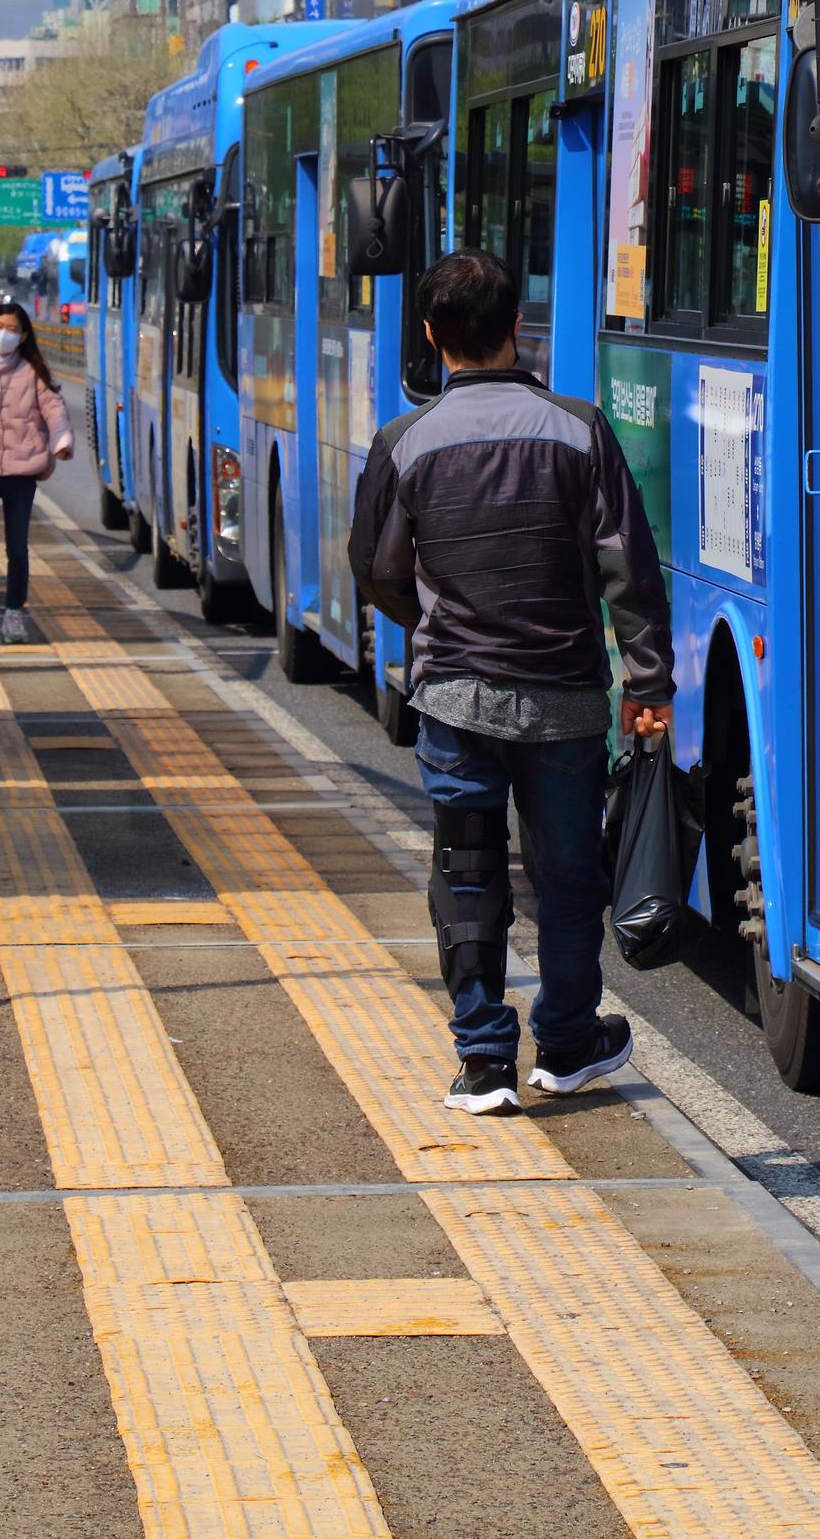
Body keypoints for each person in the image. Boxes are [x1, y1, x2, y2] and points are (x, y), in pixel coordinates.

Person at [356, 251, 670, 1115]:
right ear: (517, 329)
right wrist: (649, 680)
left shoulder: (402, 443)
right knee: (568, 875)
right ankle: (567, 1041)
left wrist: (433, 628)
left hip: (453, 695)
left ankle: (485, 1059)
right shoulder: (580, 430)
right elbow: (628, 570)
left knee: (466, 870)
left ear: (431, 336)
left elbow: (376, 571)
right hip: (565, 696)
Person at [0, 300, 72, 646]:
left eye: (12, 330)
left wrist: (62, 440)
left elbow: (54, 410)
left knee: (17, 548)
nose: (4, 335)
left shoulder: (32, 372)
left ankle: (14, 612)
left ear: (24, 335)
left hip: (21, 472)